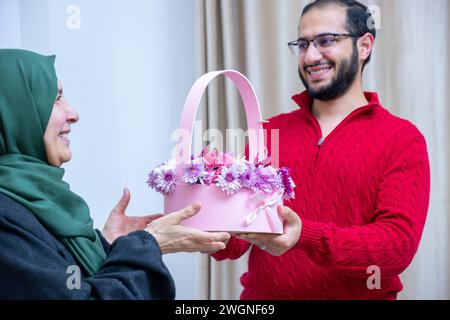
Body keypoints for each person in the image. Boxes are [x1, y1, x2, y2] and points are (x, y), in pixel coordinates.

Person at [214, 0, 430, 299]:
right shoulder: (268, 131)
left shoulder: (402, 139)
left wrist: (306, 236)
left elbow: (397, 247)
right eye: (303, 45)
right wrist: (191, 222)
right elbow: (236, 240)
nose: (311, 56)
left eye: (326, 41)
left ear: (364, 45)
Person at [0, 48, 230, 299]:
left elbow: (60, 276)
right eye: (56, 99)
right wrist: (145, 245)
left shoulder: (31, 198)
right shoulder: (5, 217)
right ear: (15, 112)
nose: (73, 114)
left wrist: (108, 242)